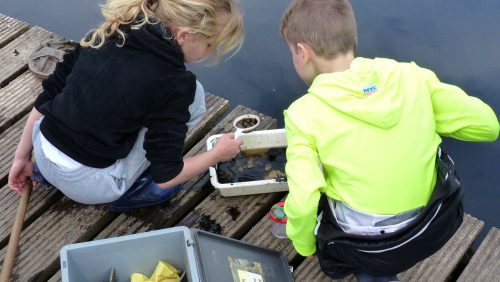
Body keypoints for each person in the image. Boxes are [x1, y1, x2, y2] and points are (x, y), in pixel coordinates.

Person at [280, 0, 499, 280]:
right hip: (434, 222)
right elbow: (488, 126)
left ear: (302, 52)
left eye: (291, 53)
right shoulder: (412, 76)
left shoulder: (303, 115)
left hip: (369, 246)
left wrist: (305, 245)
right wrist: (425, 119)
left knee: (323, 212)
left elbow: (303, 202)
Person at [8, 0, 244, 212]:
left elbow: (47, 97)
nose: (209, 53)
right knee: (195, 99)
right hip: (88, 186)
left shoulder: (105, 33)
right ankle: (132, 190)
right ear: (183, 35)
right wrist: (216, 154)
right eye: (209, 44)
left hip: (41, 152)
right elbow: (167, 175)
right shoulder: (175, 83)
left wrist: (21, 157)